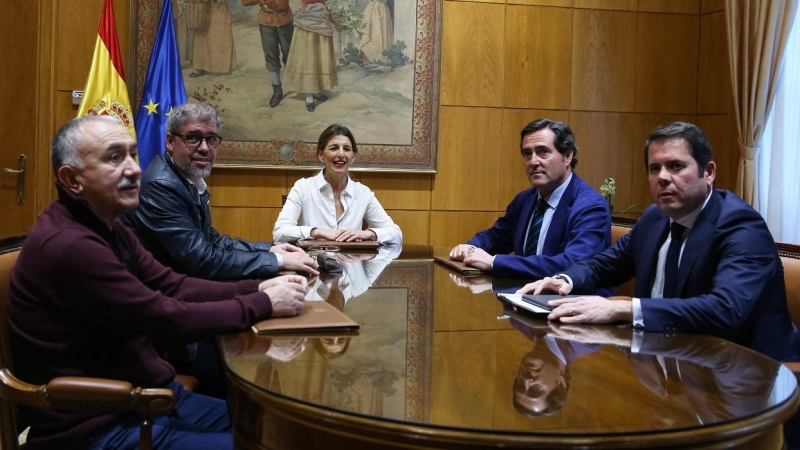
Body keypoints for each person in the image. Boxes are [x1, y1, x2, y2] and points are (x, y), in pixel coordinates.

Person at [7, 115, 308, 449]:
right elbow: (165, 317)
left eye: (133, 155)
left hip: (146, 398)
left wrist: (255, 287)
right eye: (113, 157)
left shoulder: (107, 224)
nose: (135, 169)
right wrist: (262, 304)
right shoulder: (70, 245)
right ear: (72, 179)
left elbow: (172, 284)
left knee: (284, 430)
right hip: (101, 423)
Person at [517, 122, 800, 362]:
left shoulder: (740, 225)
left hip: (747, 375)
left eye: (676, 166)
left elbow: (724, 309)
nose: (663, 177)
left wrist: (624, 308)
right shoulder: (655, 218)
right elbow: (606, 265)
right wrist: (565, 279)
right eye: (655, 168)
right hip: (670, 362)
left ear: (709, 172)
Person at [124, 102, 319, 280]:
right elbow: (201, 260)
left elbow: (211, 240)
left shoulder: (185, 179)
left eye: (211, 139)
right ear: (170, 141)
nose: (204, 148)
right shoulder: (162, 185)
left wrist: (270, 249)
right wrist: (277, 261)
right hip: (159, 297)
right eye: (192, 138)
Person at [449, 119, 611, 290]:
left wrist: (494, 262)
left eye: (543, 152)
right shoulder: (525, 200)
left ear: (568, 156)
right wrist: (471, 248)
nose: (533, 162)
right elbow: (495, 237)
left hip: (575, 305)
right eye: (527, 153)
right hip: (526, 296)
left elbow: (572, 264)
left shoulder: (591, 207)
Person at [273, 123, 402, 244]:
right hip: (313, 265)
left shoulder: (363, 193)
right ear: (321, 155)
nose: (341, 154)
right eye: (334, 148)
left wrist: (369, 234)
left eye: (346, 149)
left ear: (353, 157)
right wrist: (316, 232)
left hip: (352, 265)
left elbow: (396, 234)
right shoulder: (303, 188)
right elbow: (279, 233)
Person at [241, 0, 303, 108]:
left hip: (285, 19)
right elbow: (245, 2)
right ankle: (277, 89)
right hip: (266, 22)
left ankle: (301, 85)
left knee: (290, 55)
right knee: (271, 55)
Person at [283, 0, 337, 112]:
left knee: (320, 55)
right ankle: (309, 96)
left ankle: (316, 91)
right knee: (308, 56)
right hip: (306, 18)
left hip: (322, 18)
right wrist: (300, 3)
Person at [188, 0, 238, 78]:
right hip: (203, 10)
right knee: (202, 38)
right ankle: (200, 67)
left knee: (220, 37)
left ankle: (222, 68)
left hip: (219, 9)